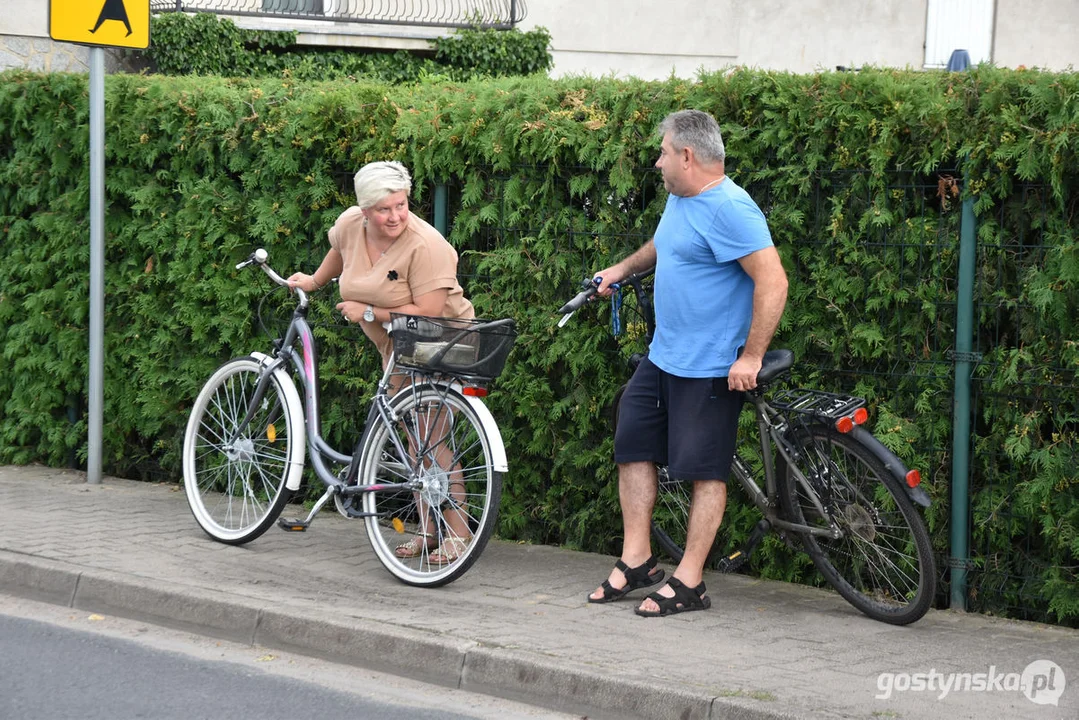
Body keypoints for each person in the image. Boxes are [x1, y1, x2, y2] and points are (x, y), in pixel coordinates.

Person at [587, 109, 788, 617]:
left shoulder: (730, 209)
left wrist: (752, 355)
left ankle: (691, 580)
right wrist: (621, 269)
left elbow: (774, 281)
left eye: (662, 152)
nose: (657, 162)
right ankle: (637, 560)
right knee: (632, 443)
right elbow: (665, 245)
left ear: (687, 156)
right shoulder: (683, 199)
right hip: (664, 357)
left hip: (710, 366)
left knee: (704, 472)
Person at [287, 160, 475, 564]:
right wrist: (315, 281)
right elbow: (340, 250)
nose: (395, 216)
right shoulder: (351, 224)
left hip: (442, 341)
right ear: (365, 210)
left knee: (431, 436)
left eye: (402, 205)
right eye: (384, 209)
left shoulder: (427, 245)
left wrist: (368, 311)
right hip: (397, 349)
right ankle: (428, 531)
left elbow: (428, 312)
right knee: (414, 440)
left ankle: (459, 534)